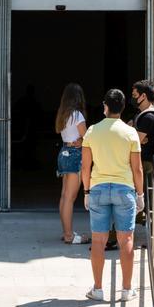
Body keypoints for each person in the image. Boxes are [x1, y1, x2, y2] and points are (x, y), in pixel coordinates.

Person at [81, 88, 145, 303]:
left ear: (105, 106)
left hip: (98, 188)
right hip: (124, 188)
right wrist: (140, 194)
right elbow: (137, 169)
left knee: (99, 241)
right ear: (123, 107)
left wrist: (86, 192)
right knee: (126, 239)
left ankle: (98, 288)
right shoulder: (130, 132)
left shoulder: (92, 131)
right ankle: (127, 289)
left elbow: (85, 166)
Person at [56, 83, 89, 244]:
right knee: (70, 198)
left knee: (64, 196)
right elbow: (87, 137)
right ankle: (69, 235)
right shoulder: (78, 115)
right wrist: (82, 140)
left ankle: (66, 231)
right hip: (75, 155)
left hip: (64, 152)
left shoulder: (63, 114)